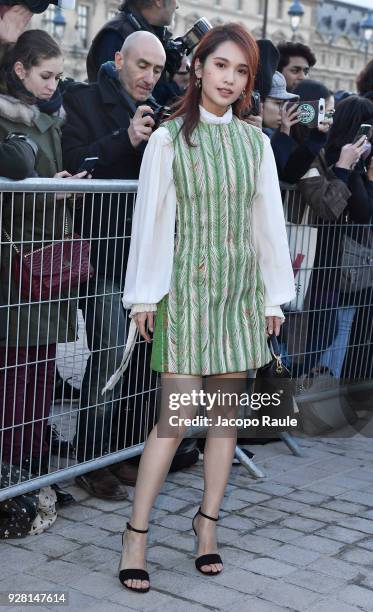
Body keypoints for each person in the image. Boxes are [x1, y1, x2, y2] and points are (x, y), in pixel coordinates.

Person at [104, 23, 295, 592]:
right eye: (221, 67)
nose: (230, 80)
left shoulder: (255, 144)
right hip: (186, 292)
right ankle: (135, 533)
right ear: (199, 68)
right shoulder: (166, 140)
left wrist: (272, 297)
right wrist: (144, 295)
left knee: (224, 424)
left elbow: (268, 228)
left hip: (238, 294)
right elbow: (152, 225)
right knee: (176, 419)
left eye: (242, 72)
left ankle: (206, 526)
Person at [61, 31, 166, 501]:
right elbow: (70, 162)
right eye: (142, 65)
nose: (149, 77)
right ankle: (89, 458)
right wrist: (125, 138)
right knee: (107, 352)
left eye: (158, 70)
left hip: (144, 254)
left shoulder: (161, 109)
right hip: (100, 253)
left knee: (142, 357)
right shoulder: (82, 100)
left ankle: (120, 450)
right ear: (119, 60)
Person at [0, 30, 88, 475]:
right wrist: (52, 194)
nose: (53, 84)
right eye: (45, 75)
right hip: (17, 263)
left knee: (40, 372)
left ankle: (33, 466)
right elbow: (12, 192)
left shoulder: (46, 118)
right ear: (20, 70)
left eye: (57, 76)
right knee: (18, 373)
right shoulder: (7, 121)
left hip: (47, 261)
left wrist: (62, 185)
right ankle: (14, 469)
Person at [293, 95, 373, 378]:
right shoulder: (320, 155)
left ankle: (285, 394)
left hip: (330, 265)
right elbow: (328, 208)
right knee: (299, 340)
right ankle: (272, 400)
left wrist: (364, 175)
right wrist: (342, 167)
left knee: (323, 333)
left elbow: (363, 212)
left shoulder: (350, 159)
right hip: (306, 261)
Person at [86, 0, 179, 85]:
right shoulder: (115, 35)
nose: (177, 6)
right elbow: (113, 95)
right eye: (142, 66)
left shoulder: (148, 33)